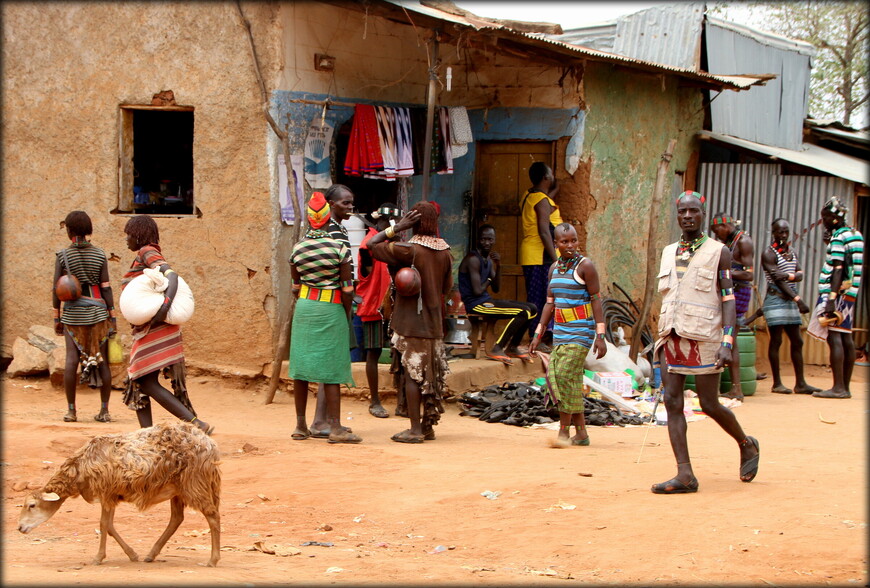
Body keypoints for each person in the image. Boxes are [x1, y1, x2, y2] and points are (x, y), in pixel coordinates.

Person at [651, 191, 759, 494]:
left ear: (702, 214)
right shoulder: (668, 251)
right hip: (671, 335)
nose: (687, 216)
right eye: (682, 211)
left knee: (709, 404)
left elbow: (728, 299)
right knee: (672, 400)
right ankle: (685, 474)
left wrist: (727, 341)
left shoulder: (719, 252)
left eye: (693, 211)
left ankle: (746, 443)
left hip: (705, 337)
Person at [369, 202, 453, 443]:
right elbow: (446, 288)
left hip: (411, 324)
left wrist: (396, 228)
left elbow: (372, 246)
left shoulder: (410, 250)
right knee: (430, 377)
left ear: (413, 222)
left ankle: (415, 430)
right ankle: (427, 427)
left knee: (412, 376)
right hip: (435, 324)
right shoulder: (446, 253)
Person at [121, 215, 212, 435]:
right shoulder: (143, 254)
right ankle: (147, 433)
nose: (126, 240)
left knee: (142, 378)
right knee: (142, 380)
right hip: (149, 328)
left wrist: (163, 308)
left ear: (139, 235)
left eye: (129, 235)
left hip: (155, 328)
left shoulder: (147, 251)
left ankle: (195, 424)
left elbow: (171, 275)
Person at [288, 192, 359, 443]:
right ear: (327, 216)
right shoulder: (338, 247)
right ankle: (336, 428)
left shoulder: (298, 249)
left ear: (309, 219)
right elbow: (348, 287)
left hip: (306, 308)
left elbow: (295, 287)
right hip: (331, 307)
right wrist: (346, 312)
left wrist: (306, 300)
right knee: (332, 367)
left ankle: (300, 425)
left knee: (301, 368)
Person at [529, 223, 606, 446]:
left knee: (561, 376)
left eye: (573, 240)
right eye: (565, 242)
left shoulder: (586, 267)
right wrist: (538, 334)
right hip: (560, 334)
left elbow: (596, 300)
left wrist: (599, 337)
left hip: (581, 333)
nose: (570, 245)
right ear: (556, 244)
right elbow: (549, 304)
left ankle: (563, 431)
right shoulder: (553, 269)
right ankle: (581, 432)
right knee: (570, 381)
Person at [52, 211, 115, 423]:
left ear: (69, 230)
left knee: (71, 361)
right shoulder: (99, 255)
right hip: (98, 313)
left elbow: (56, 289)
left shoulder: (63, 256)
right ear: (88, 230)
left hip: (72, 314)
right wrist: (112, 317)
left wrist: (56, 318)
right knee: (103, 361)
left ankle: (71, 411)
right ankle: (104, 411)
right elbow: (106, 288)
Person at [308, 184, 358, 436]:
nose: (350, 207)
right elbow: (340, 274)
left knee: (330, 361)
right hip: (334, 300)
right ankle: (321, 421)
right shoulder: (331, 231)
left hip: (331, 300)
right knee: (331, 361)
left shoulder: (336, 228)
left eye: (351, 203)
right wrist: (346, 306)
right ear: (330, 203)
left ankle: (322, 420)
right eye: (345, 203)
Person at [459, 224, 537, 364]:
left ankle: (513, 347)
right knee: (523, 312)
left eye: (490, 239)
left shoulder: (487, 260)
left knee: (532, 308)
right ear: (477, 240)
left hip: (486, 301)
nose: (487, 243)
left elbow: (496, 288)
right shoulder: (473, 259)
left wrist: (498, 266)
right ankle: (498, 347)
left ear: (494, 240)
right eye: (483, 239)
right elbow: (477, 291)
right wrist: (489, 278)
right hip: (475, 304)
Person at [761, 218, 820, 395]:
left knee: (797, 341)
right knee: (777, 340)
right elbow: (778, 282)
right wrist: (798, 298)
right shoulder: (768, 253)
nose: (784, 235)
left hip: (790, 300)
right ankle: (777, 383)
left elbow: (800, 274)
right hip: (776, 299)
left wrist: (787, 275)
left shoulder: (791, 252)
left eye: (786, 231)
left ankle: (800, 383)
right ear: (773, 232)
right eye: (780, 232)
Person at [814, 196, 864, 399]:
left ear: (834, 218)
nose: (823, 221)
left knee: (835, 337)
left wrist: (832, 298)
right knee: (846, 337)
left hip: (838, 293)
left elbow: (838, 269)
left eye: (825, 216)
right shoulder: (856, 234)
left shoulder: (838, 238)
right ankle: (845, 387)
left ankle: (838, 388)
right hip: (851, 293)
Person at [356, 202, 401, 418]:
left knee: (399, 353)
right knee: (373, 352)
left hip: (393, 307)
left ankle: (401, 400)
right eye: (389, 222)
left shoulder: (392, 243)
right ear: (380, 222)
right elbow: (368, 267)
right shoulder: (368, 245)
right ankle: (374, 400)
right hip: (374, 306)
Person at [710, 213, 755, 400]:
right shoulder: (730, 241)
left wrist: (723, 272)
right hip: (730, 292)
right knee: (729, 339)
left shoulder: (743, 241)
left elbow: (748, 275)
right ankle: (733, 387)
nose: (716, 235)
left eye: (717, 230)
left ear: (726, 226)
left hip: (739, 293)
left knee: (731, 339)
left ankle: (737, 388)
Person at [520, 162, 562, 350]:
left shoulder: (532, 196)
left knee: (543, 297)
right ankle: (536, 339)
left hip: (533, 254)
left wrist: (554, 191)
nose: (553, 176)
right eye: (551, 174)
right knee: (541, 299)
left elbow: (545, 205)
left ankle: (542, 337)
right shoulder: (540, 200)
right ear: (546, 177)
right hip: (541, 256)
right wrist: (556, 260)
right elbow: (545, 232)